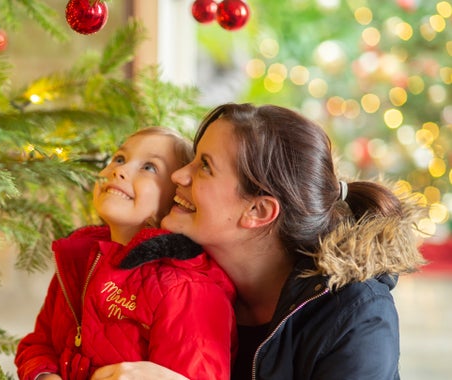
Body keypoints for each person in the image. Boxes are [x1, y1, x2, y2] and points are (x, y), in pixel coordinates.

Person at [91, 103, 426, 380]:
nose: (179, 175)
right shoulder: (173, 277)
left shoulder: (356, 316)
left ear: (257, 210)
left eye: (204, 167)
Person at [14, 127, 238, 380]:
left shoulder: (187, 289)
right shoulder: (78, 258)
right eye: (119, 158)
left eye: (149, 167)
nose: (119, 170)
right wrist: (45, 376)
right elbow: (38, 344)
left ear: (177, 198)